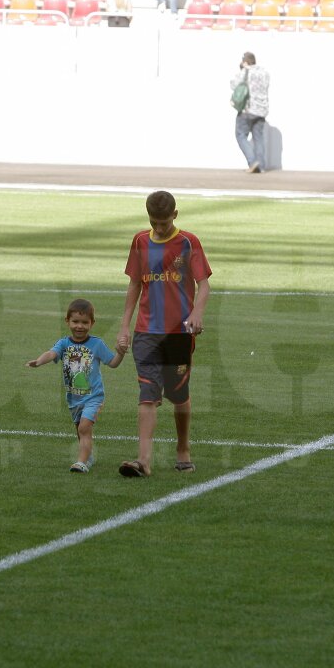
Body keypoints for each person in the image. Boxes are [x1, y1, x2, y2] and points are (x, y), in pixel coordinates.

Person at [115, 190, 212, 478]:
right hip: (146, 332)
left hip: (179, 333)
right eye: (153, 222)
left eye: (164, 222)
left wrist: (197, 313)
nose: (158, 228)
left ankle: (183, 449)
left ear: (175, 215)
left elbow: (204, 284)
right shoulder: (139, 242)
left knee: (178, 394)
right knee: (147, 393)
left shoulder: (188, 242)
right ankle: (144, 461)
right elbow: (135, 284)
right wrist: (124, 325)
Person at [26, 298, 127, 473]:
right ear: (67, 321)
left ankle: (81, 463)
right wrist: (39, 361)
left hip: (93, 397)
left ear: (92, 323)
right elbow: (51, 353)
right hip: (74, 398)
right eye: (75, 321)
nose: (79, 326)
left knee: (84, 427)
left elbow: (112, 363)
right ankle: (88, 456)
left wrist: (121, 353)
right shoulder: (64, 343)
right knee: (80, 431)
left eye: (85, 322)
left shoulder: (97, 344)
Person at [231, 52, 271, 174]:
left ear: (245, 61)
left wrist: (242, 69)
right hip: (261, 110)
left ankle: (253, 162)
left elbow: (233, 85)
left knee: (240, 135)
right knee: (258, 138)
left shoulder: (245, 72)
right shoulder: (264, 72)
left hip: (247, 109)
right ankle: (261, 166)